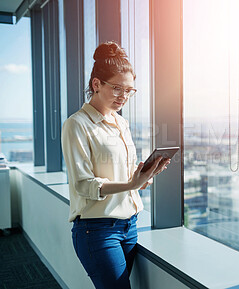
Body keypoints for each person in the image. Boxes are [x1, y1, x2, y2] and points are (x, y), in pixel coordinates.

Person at [61, 41, 170, 289]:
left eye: (130, 91)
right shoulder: (77, 125)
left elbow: (125, 173)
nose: (124, 96)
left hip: (130, 225)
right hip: (96, 229)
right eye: (118, 88)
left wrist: (143, 178)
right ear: (96, 84)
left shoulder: (122, 123)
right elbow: (83, 185)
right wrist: (132, 183)